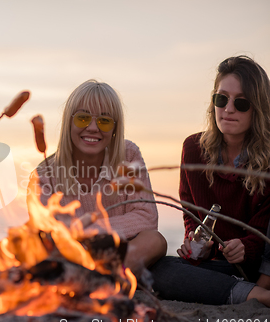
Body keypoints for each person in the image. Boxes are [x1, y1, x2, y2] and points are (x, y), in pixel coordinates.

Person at [150, 56, 270, 306]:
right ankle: (251, 295)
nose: (228, 109)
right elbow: (191, 217)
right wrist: (197, 245)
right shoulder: (193, 148)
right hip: (221, 269)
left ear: (258, 108)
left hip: (262, 270)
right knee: (157, 269)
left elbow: (264, 234)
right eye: (221, 98)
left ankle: (255, 291)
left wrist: (246, 247)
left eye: (241, 103)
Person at [33, 79, 166, 279]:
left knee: (155, 240)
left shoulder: (128, 154)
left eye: (104, 121)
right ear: (69, 122)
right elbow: (47, 233)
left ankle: (104, 278)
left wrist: (94, 230)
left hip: (123, 250)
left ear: (114, 128)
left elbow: (146, 217)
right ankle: (100, 279)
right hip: (74, 255)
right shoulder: (44, 174)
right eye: (82, 118)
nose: (93, 128)